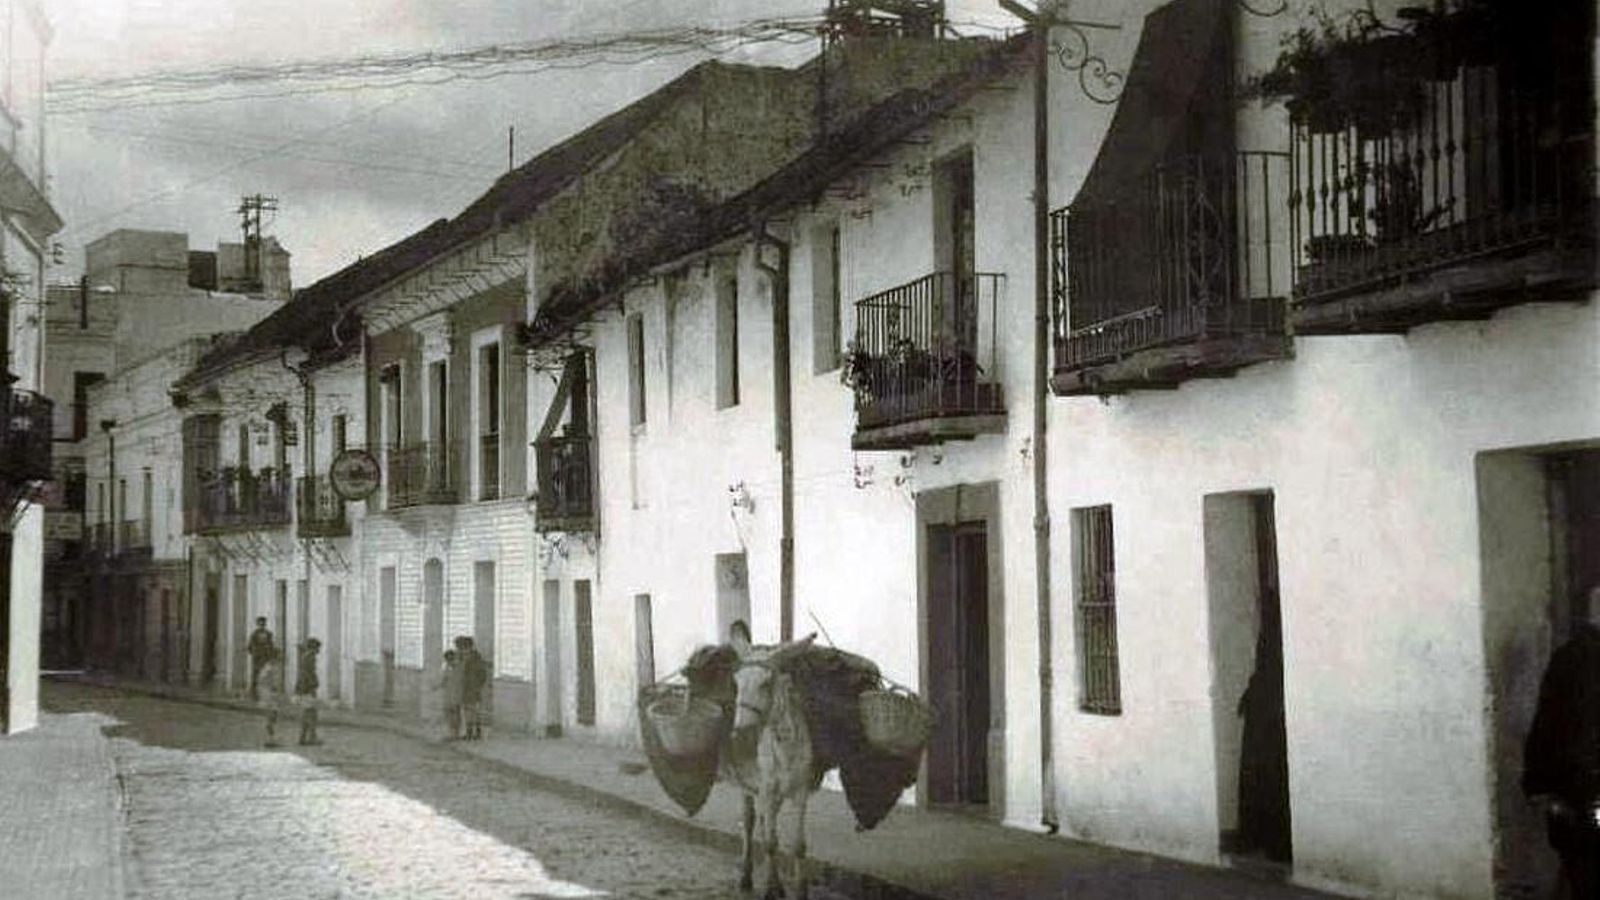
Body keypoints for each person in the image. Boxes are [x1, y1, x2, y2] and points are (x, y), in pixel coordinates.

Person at [1523, 585, 1600, 899]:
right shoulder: (1575, 660)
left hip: (1574, 791)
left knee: (1582, 867)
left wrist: (1538, 784)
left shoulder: (1567, 658)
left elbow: (1546, 723)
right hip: (1584, 788)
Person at [457, 636, 489, 740]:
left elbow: (482, 674)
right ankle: (470, 732)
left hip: (473, 688)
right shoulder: (462, 658)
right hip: (465, 688)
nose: (460, 650)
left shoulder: (476, 659)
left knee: (473, 710)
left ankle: (474, 732)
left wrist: (477, 685)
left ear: (467, 647)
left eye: (461, 648)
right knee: (468, 711)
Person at [257, 648, 289, 748]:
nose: (281, 657)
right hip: (269, 695)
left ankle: (271, 738)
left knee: (273, 717)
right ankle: (270, 738)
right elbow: (266, 681)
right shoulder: (270, 668)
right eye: (279, 655)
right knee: (271, 717)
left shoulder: (271, 667)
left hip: (270, 694)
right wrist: (273, 692)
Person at [295, 638, 323, 746]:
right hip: (308, 689)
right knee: (311, 714)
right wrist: (313, 685)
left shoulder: (305, 657)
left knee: (307, 713)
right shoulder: (310, 657)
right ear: (314, 648)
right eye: (317, 648)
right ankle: (311, 737)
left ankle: (303, 737)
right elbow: (308, 674)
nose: (318, 650)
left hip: (304, 688)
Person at [436, 649, 464, 740]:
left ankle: (455, 733)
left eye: (450, 659)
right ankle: (453, 732)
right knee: (450, 714)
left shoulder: (457, 668)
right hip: (450, 695)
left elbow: (445, 680)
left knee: (454, 714)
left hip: (455, 694)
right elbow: (443, 680)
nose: (449, 661)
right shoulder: (448, 668)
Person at [247, 618, 275, 700]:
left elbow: (271, 645)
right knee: (255, 675)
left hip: (266, 657)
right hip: (257, 658)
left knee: (265, 675)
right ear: (257, 624)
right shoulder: (254, 634)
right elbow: (249, 647)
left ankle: (264, 693)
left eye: (263, 624)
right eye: (260, 624)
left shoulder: (269, 634)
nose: (261, 626)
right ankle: (254, 694)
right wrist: (255, 652)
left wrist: (270, 655)